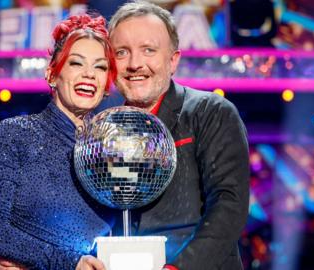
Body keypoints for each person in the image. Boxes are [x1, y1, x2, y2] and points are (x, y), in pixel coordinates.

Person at [107, 1, 250, 269]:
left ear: (173, 60)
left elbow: (229, 203)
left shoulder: (210, 112)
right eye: (122, 52)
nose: (135, 64)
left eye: (148, 50)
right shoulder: (105, 131)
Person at [0, 14, 117, 270]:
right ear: (52, 74)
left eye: (100, 67)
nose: (89, 74)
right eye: (76, 63)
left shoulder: (111, 150)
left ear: (106, 84)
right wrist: (69, 263)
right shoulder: (15, 135)